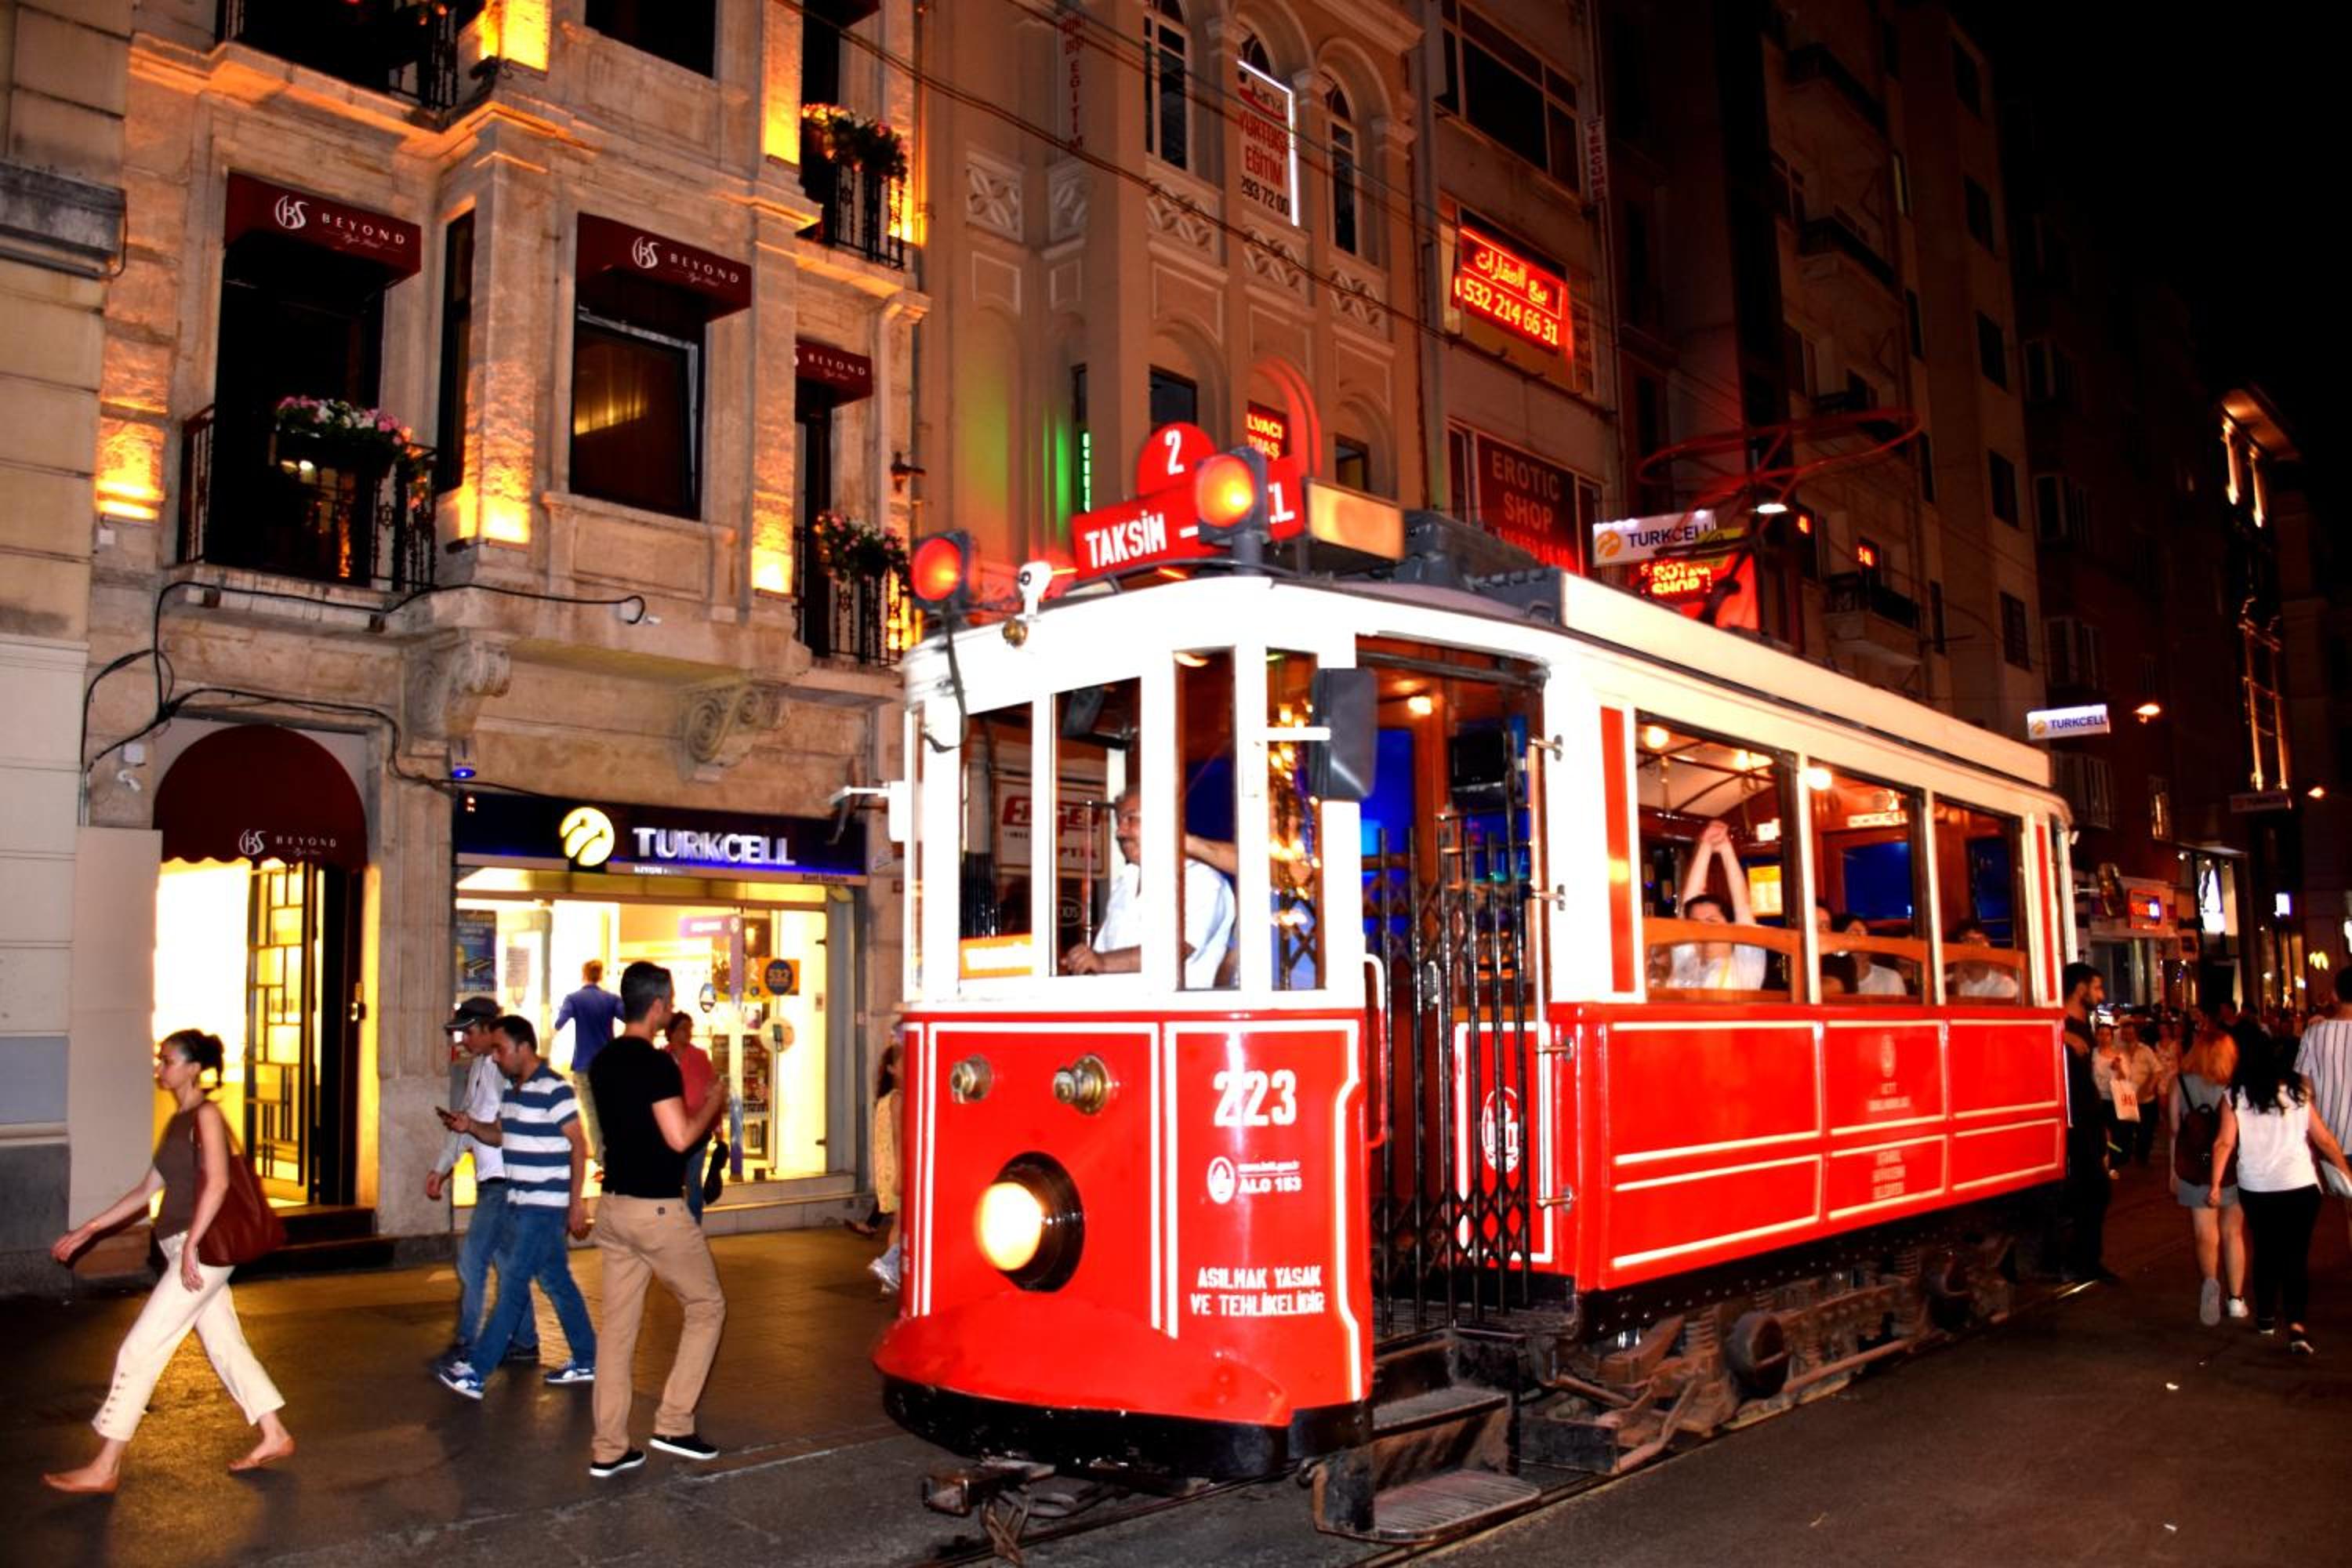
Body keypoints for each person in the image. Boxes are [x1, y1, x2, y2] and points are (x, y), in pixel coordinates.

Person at [42, 1029, 294, 1492]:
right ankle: (274, 1433)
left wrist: (193, 1244)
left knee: (140, 1348)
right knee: (225, 1344)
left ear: (193, 1068)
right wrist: (88, 1230)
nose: (160, 1068)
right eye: (160, 1060)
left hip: (202, 1250)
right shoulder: (178, 1122)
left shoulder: (207, 1115)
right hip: (186, 1248)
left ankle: (105, 1467)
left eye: (168, 1061)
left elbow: (218, 1183)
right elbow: (146, 1191)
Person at [586, 960, 731, 1478]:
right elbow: (679, 1138)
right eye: (669, 999)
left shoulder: (603, 1061)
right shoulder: (656, 1064)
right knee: (707, 1306)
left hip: (615, 1206)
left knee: (617, 1331)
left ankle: (609, 1448)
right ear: (657, 1006)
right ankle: (673, 1422)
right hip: (657, 1209)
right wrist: (713, 1103)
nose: (671, 1007)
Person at [438, 1015, 597, 1396]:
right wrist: (470, 1127)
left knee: (511, 1285)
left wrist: (576, 1203)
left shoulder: (554, 1089)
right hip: (520, 1204)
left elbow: (579, 1145)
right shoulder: (512, 1091)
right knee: (556, 1282)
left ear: (523, 1047)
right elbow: (500, 1135)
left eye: (500, 1049)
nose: (495, 1057)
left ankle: (477, 1371)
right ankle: (588, 1358)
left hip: (544, 1207)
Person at [2210, 1030, 2352, 1353]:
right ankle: (2297, 1325)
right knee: (2296, 1255)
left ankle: (2265, 1317)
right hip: (2300, 1185)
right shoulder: (2298, 1094)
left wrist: (2216, 1183)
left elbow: (2224, 1143)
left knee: (2265, 1250)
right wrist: (2345, 1170)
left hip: (2257, 1187)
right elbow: (2324, 1139)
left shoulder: (2235, 1096)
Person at [430, 996, 539, 1377]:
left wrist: (470, 1131)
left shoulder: (500, 1069)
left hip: (503, 1181)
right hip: (493, 1181)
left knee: (473, 1260)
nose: (463, 1040)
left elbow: (504, 1127)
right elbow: (467, 1123)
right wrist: (442, 1167)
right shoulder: (480, 1067)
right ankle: (524, 1341)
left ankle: (467, 1342)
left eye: (468, 1032)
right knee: (507, 1264)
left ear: (488, 1030)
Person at [1063, 787, 1236, 989]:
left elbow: (1174, 951)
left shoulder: (1201, 881)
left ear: (1163, 822)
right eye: (1119, 821)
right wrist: (1083, 962)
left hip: (1173, 1007)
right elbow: (1102, 954)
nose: (1120, 832)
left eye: (1131, 819)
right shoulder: (1125, 882)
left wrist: (1102, 962)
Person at [2170, 1026, 2246, 1326]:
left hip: (2194, 1166)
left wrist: (2172, 1171)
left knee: (2204, 1233)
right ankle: (2237, 1299)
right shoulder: (2236, 1086)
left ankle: (2210, 1285)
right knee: (2233, 1233)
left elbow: (2175, 1130)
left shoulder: (2181, 1082)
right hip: (2233, 1166)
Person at [2058, 962, 2116, 1283]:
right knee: (2093, 1190)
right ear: (2080, 988)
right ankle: (2084, 1260)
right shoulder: (2060, 1023)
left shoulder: (2081, 1026)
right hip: (2073, 1121)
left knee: (2094, 1190)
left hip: (2088, 1118)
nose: (2101, 995)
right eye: (2096, 988)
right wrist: (2060, 1035)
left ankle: (2085, 1258)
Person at [1665, 819, 1766, 991]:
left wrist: (1726, 850)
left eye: (1711, 921)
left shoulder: (1744, 967)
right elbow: (1687, 905)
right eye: (1696, 923)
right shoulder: (1687, 960)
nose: (1703, 928)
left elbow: (1743, 908)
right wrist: (1705, 845)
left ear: (1730, 926)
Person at [2297, 976, 2352, 1252]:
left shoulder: (2315, 1034)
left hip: (2333, 1137)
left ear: (2334, 995)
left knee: (2349, 1208)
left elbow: (2305, 1091)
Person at [556, 960, 622, 1160]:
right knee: (609, 1113)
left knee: (592, 1115)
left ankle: (602, 1159)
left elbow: (559, 1023)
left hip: (583, 1065)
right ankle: (614, 1155)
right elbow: (629, 1017)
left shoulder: (574, 999)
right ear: (600, 975)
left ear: (583, 974)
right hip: (609, 1065)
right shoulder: (611, 999)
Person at [663, 1012, 718, 1224]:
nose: (687, 1032)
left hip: (697, 1131)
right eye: (682, 1028)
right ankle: (675, 1227)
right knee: (671, 1183)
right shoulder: (662, 1057)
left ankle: (694, 1228)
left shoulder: (700, 1057)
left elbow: (711, 1090)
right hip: (669, 1131)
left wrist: (717, 1127)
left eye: (690, 1028)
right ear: (671, 1032)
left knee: (693, 1181)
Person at [868, 1041, 904, 1294]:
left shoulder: (883, 1100)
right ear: (892, 1069)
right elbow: (898, 1138)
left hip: (886, 1169)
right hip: (897, 1168)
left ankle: (889, 1276)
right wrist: (902, 1172)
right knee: (903, 1224)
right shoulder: (898, 1099)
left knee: (898, 1224)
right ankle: (888, 1267)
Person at [1947, 920, 2020, 1000]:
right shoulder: (1943, 983)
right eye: (1969, 941)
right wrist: (1955, 985)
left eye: (1982, 940)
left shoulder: (2005, 985)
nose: (1978, 945)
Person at [1842, 915, 1909, 997]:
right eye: (1854, 935)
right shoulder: (1831, 982)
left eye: (1866, 935)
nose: (1863, 941)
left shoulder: (1890, 979)